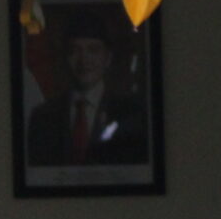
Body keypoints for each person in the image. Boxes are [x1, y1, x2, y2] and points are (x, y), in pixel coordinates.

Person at [23, 15, 149, 169]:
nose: (84, 60)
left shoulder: (130, 113)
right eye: (74, 50)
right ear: (65, 57)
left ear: (108, 58)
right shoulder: (42, 117)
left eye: (93, 50)